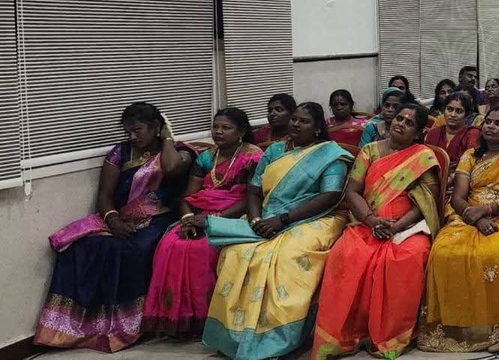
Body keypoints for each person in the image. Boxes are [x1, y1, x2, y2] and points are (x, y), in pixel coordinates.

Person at [35, 103, 196, 351]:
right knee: (79, 247)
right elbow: (105, 195)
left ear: (156, 128)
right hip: (120, 218)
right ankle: (72, 325)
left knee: (133, 250)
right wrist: (113, 220)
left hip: (160, 217)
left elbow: (172, 168)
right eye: (128, 132)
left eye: (137, 130)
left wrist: (167, 138)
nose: (132, 137)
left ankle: (128, 325)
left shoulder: (181, 152)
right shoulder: (120, 153)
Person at [203, 102, 350, 360]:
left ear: (317, 128)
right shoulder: (274, 151)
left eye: (303, 121)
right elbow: (254, 190)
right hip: (269, 214)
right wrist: (257, 218)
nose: (295, 124)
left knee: (288, 256)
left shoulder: (330, 154)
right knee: (238, 253)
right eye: (294, 119)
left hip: (315, 217)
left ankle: (280, 336)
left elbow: (330, 195)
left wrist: (283, 220)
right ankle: (236, 335)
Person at [312, 104, 443, 360]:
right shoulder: (370, 151)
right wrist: (372, 221)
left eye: (409, 122)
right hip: (367, 222)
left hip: (407, 226)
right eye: (400, 118)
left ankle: (389, 335)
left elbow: (427, 200)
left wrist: (397, 225)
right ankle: (347, 335)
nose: (401, 123)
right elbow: (352, 192)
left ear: (417, 132)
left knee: (405, 259)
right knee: (346, 255)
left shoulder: (423, 156)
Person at [418, 106, 499, 353]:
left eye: (498, 123)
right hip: (469, 214)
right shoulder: (470, 156)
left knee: (494, 255)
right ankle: (448, 329)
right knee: (442, 252)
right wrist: (476, 218)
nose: (490, 126)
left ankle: (496, 329)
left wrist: (488, 210)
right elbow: (458, 197)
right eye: (488, 122)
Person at [145, 108, 261, 337]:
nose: (218, 132)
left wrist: (212, 220)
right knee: (171, 243)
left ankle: (206, 319)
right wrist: (187, 219)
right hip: (200, 213)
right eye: (215, 126)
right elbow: (189, 196)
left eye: (226, 127)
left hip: (235, 214)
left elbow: (251, 197)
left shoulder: (254, 156)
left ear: (242, 131)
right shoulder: (207, 157)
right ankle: (179, 319)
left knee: (203, 248)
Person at [424, 91, 482, 174]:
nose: (453, 114)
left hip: (462, 179)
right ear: (444, 111)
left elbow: (472, 165)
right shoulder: (433, 133)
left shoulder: (472, 134)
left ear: (467, 115)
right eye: (449, 109)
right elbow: (426, 162)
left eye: (459, 111)